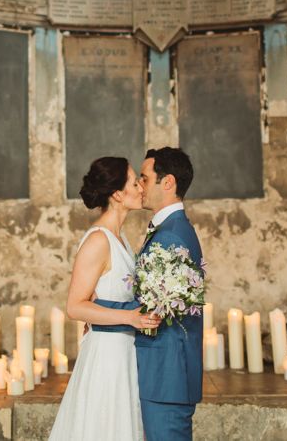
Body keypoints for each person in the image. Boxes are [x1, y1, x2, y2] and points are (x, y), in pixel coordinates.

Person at [94, 147, 204, 441]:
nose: (139, 185)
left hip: (166, 376)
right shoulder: (171, 228)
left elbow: (153, 310)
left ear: (167, 183)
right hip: (163, 375)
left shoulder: (171, 235)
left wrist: (95, 310)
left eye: (144, 178)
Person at [49, 156, 161, 441]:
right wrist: (130, 317)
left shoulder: (120, 238)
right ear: (117, 194)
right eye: (134, 182)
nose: (140, 187)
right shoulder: (98, 240)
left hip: (124, 351)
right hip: (106, 356)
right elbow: (75, 306)